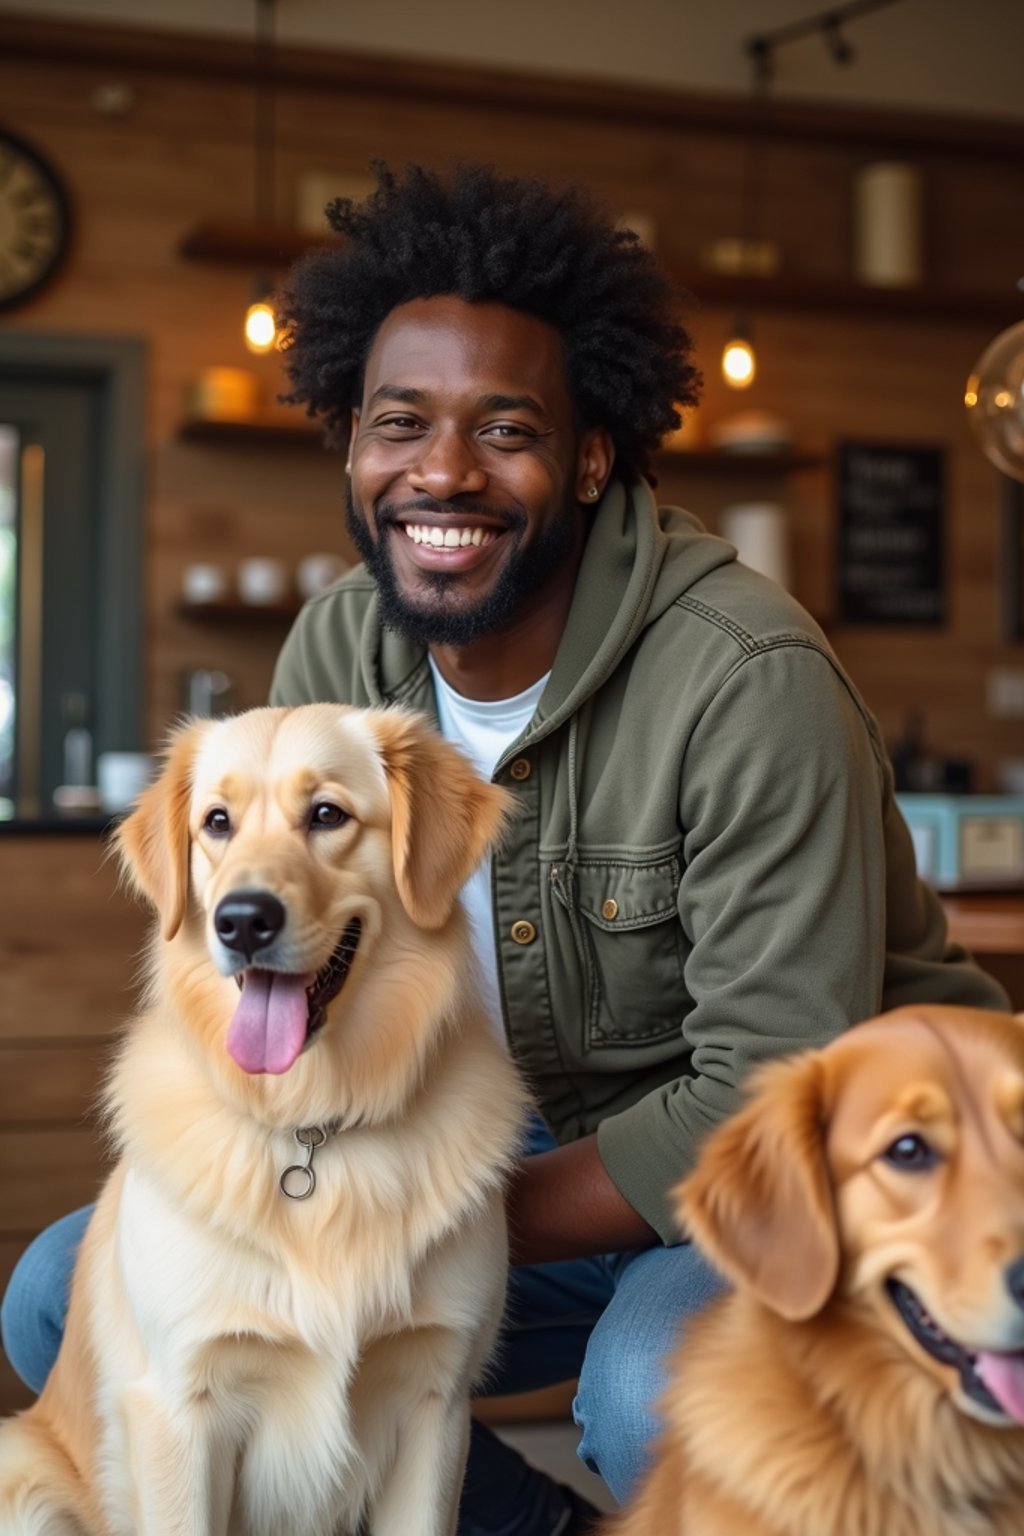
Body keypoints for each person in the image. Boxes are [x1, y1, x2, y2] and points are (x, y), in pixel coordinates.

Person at [2, 163, 1009, 1536]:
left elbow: (773, 1080)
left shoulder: (744, 677)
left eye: (508, 428)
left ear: (591, 457)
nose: (444, 472)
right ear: (350, 443)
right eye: (399, 422)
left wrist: (422, 1212)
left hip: (792, 1177)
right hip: (489, 1138)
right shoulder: (341, 649)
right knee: (74, 1285)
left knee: (654, 1384)